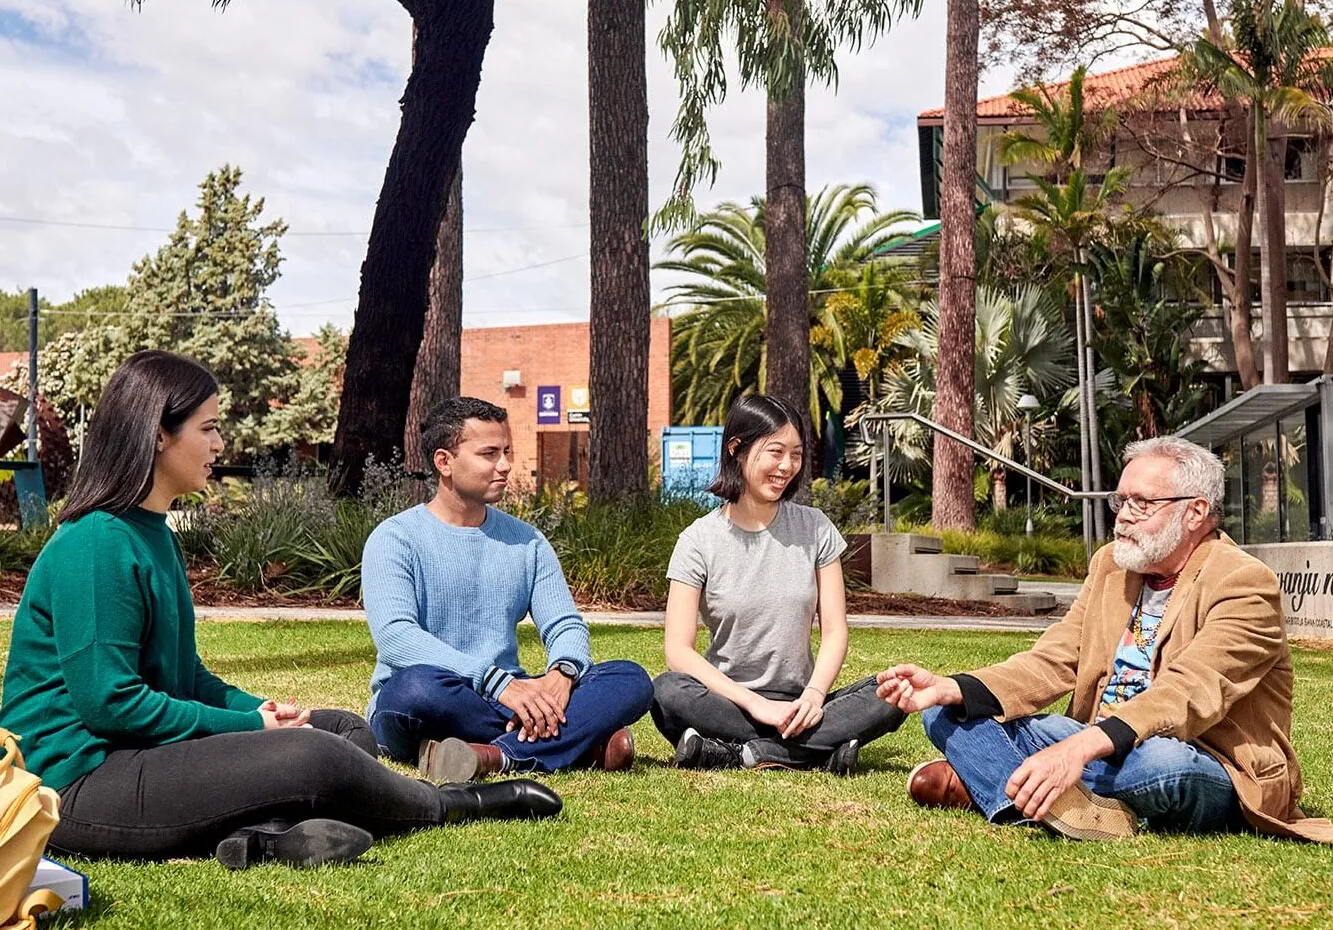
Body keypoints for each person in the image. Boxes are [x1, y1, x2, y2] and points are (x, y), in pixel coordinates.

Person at [0, 352, 560, 871]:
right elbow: (111, 705)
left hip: (138, 754)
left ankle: (262, 837)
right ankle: (453, 803)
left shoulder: (155, 537)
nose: (221, 443)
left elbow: (185, 676)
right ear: (158, 435)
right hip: (78, 782)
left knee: (342, 728)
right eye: (209, 428)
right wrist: (251, 727)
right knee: (314, 756)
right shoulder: (96, 543)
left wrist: (262, 711)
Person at [877, 436, 1333, 843]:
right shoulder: (1111, 567)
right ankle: (1041, 806)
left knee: (1160, 767)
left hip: (1204, 759)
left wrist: (1078, 748)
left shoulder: (1243, 582)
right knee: (942, 711)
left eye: (1141, 503)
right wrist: (954, 688)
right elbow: (1054, 659)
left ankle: (1006, 783)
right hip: (1096, 738)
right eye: (1121, 501)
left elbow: (1188, 693)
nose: (1123, 517)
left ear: (1195, 511)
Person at [363, 396, 653, 782]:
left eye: (506, 452)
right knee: (412, 690)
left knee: (630, 679)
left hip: (512, 694)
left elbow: (565, 624)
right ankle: (579, 741)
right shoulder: (395, 538)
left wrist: (562, 675)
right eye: (488, 454)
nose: (505, 466)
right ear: (443, 462)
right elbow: (397, 638)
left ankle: (496, 755)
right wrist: (498, 684)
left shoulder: (526, 541)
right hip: (436, 700)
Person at [651, 393, 903, 773]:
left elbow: (835, 631)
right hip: (728, 701)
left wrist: (815, 697)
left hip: (804, 703)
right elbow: (678, 651)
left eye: (796, 454)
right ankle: (814, 751)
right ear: (737, 448)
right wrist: (756, 705)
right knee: (667, 691)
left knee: (894, 693)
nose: (787, 466)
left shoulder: (815, 527)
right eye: (775, 452)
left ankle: (741, 753)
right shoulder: (697, 540)